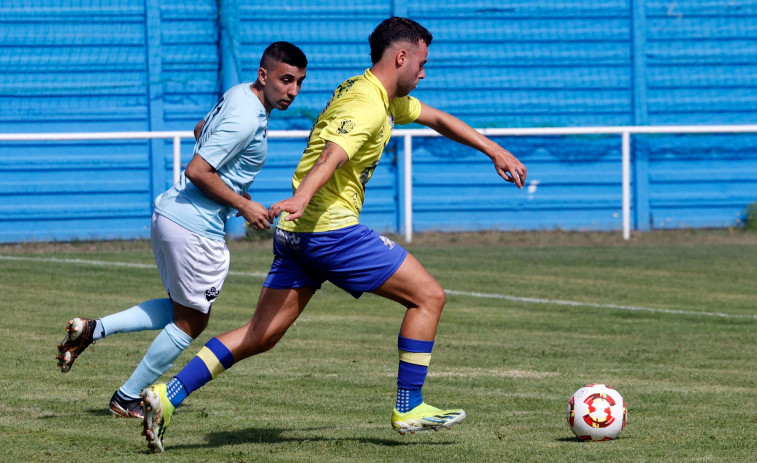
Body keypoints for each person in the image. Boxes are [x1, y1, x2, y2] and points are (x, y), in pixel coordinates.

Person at [140, 17, 527, 452]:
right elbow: (332, 155)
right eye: (421, 62)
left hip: (296, 235)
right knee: (429, 297)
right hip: (330, 232)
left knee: (260, 335)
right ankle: (409, 405)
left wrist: (494, 149)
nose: (423, 73)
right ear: (400, 57)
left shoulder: (371, 93)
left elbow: (435, 118)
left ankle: (166, 397)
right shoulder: (367, 104)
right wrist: (304, 196)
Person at [55, 42, 308, 419]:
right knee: (193, 320)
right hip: (194, 227)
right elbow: (198, 171)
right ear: (264, 75)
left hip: (170, 211)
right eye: (286, 80)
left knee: (180, 309)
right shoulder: (248, 117)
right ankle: (126, 398)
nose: (293, 91)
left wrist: (235, 186)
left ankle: (93, 329)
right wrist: (243, 203)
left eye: (300, 83)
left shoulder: (239, 94)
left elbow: (201, 129)